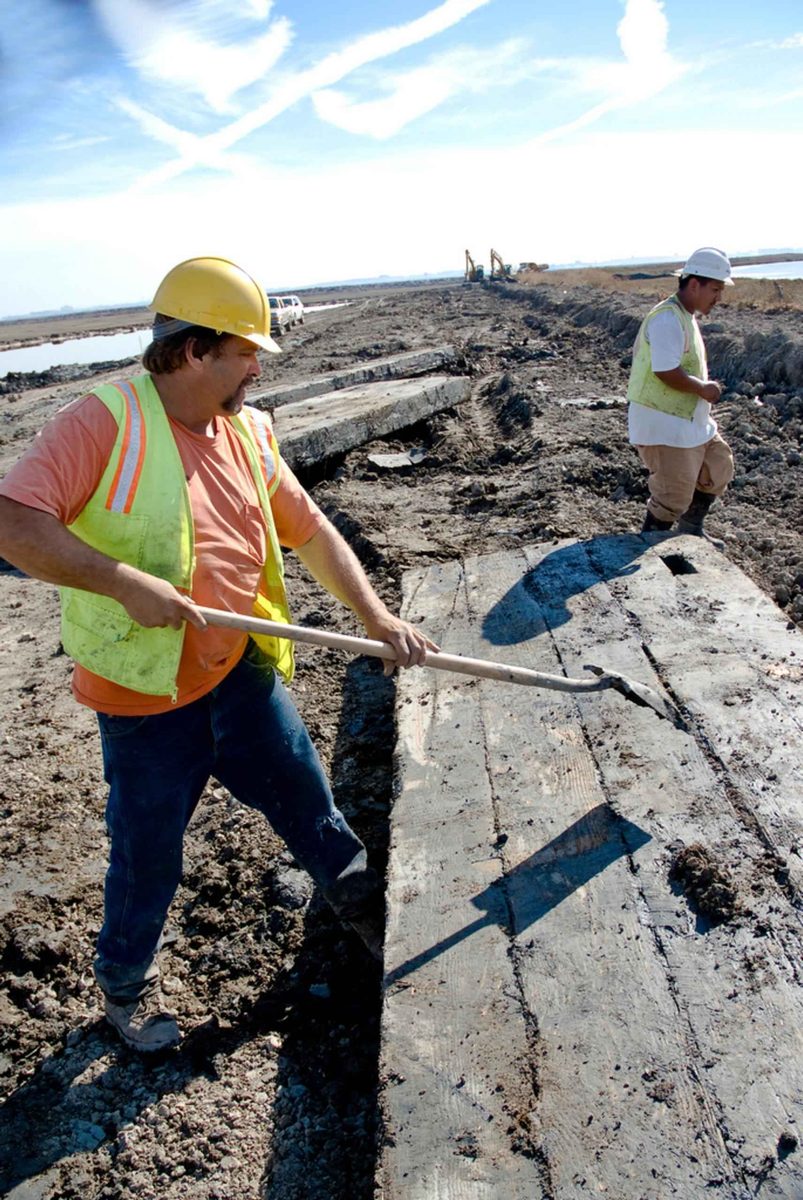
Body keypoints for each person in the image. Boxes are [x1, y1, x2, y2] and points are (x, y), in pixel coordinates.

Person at [0, 256, 437, 1054]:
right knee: (148, 858)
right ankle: (123, 992)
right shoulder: (103, 422)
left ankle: (384, 941)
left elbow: (308, 530)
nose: (258, 366)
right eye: (245, 351)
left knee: (315, 815)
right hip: (145, 703)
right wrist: (121, 580)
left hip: (239, 677)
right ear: (194, 350)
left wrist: (375, 617)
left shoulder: (249, 431)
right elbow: (14, 523)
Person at [627, 246, 735, 542]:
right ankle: (649, 548)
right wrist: (703, 388)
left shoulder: (685, 316)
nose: (718, 298)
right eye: (715, 289)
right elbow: (665, 370)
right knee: (672, 496)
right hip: (663, 423)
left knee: (718, 465)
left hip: (688, 421)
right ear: (694, 284)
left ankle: (691, 531)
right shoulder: (667, 319)